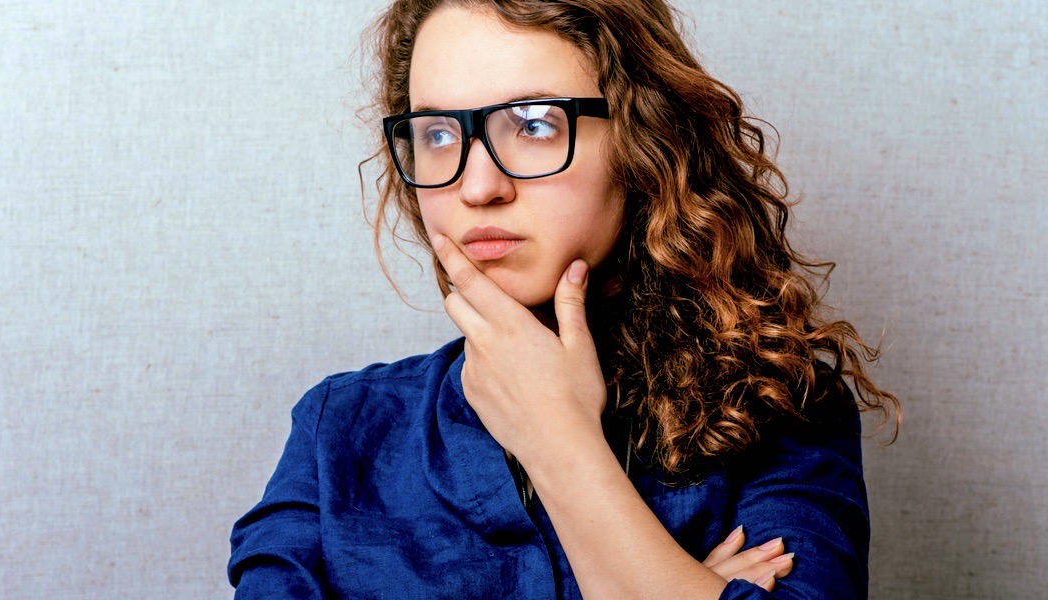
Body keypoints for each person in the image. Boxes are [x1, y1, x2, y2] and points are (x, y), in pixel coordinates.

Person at [228, 0, 899, 598]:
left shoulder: (780, 409)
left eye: (534, 124)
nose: (478, 185)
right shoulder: (339, 434)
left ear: (647, 144)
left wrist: (559, 442)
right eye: (438, 134)